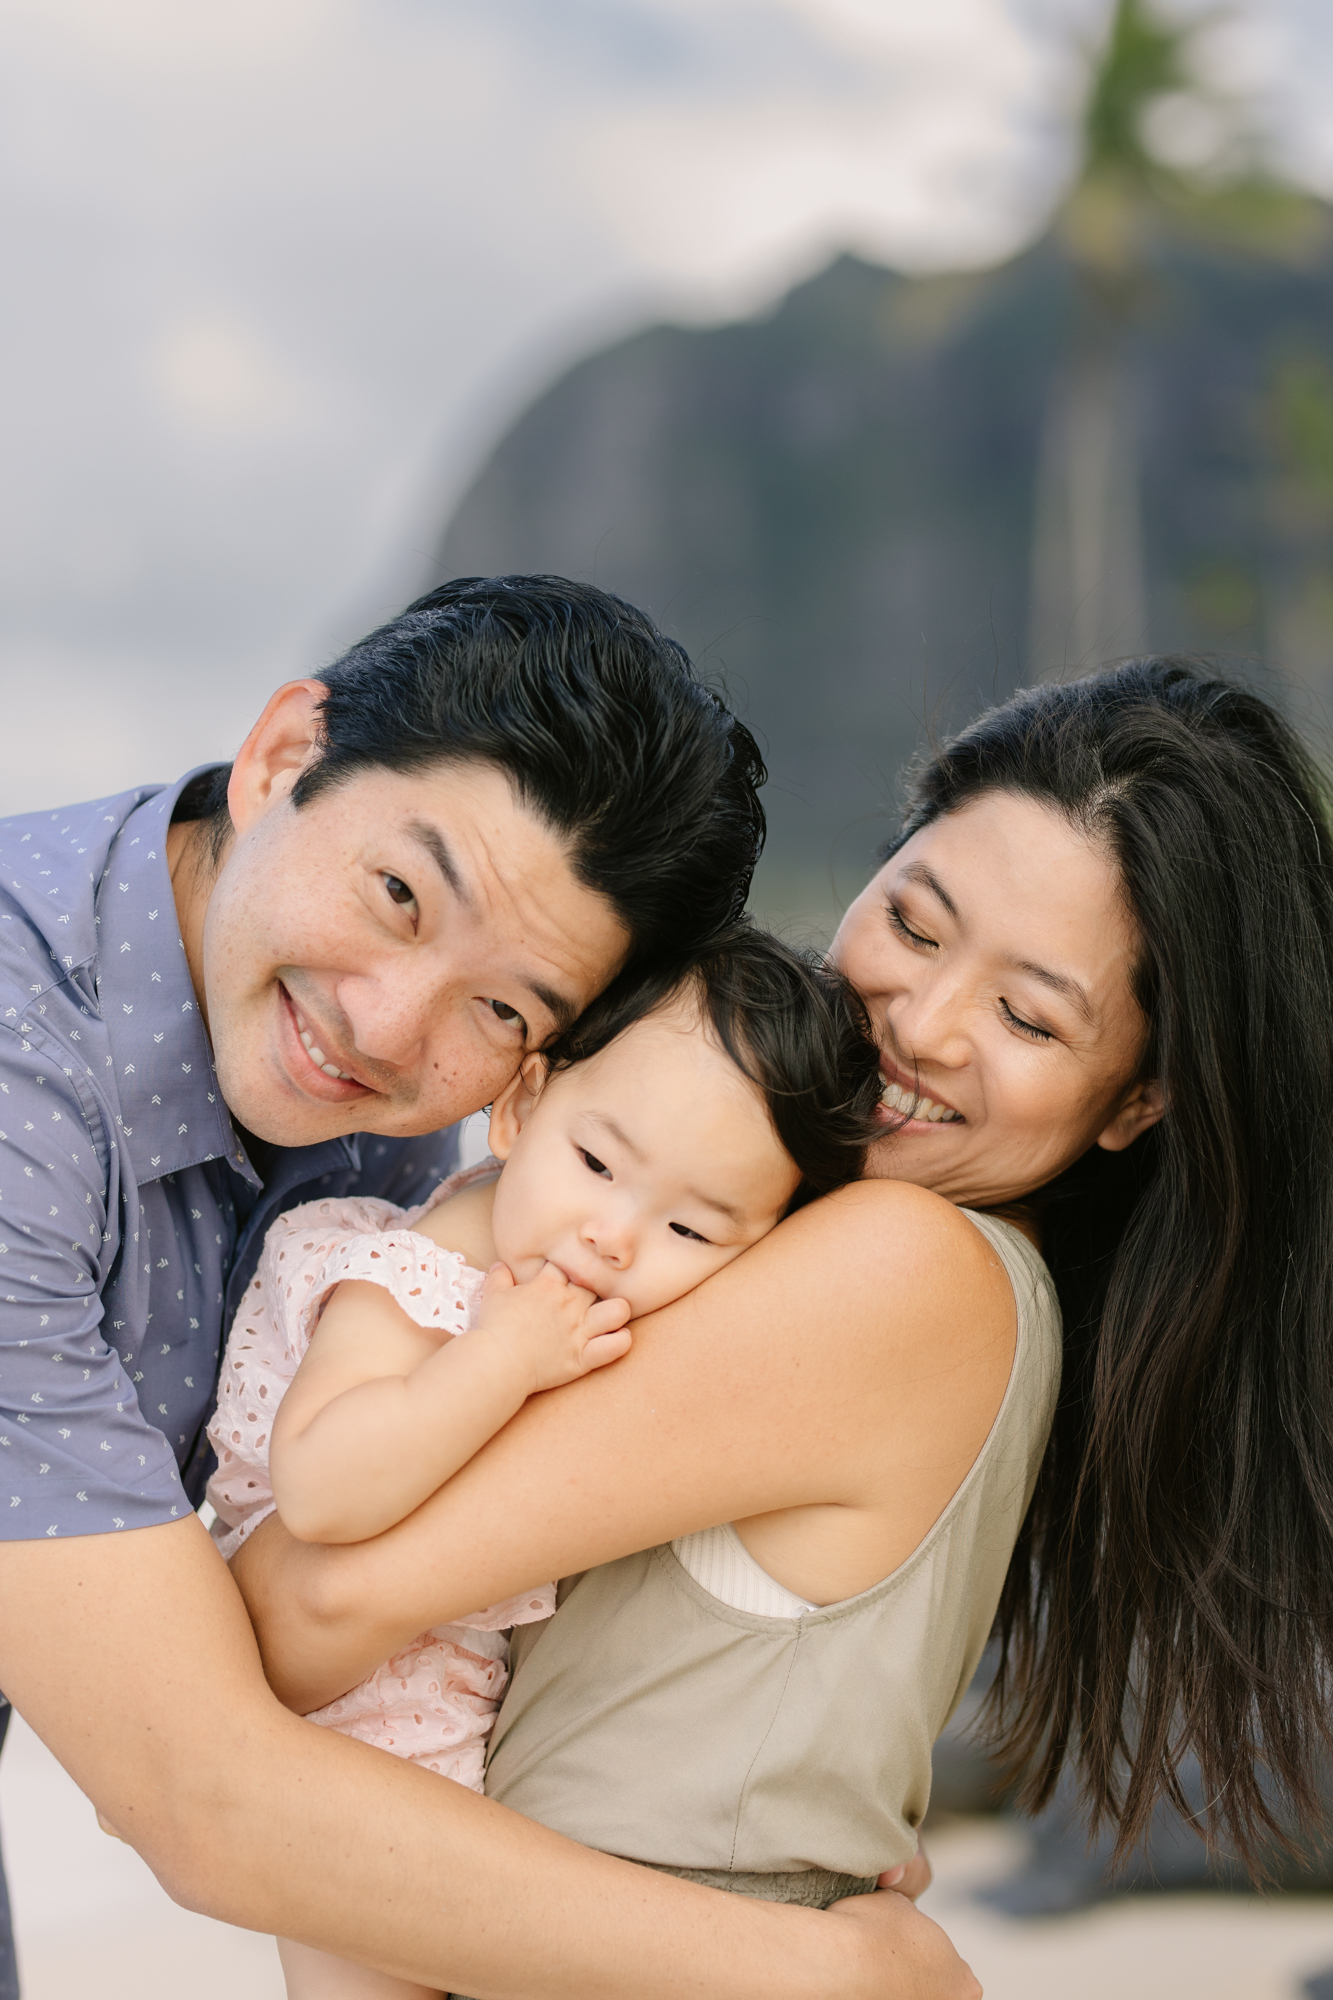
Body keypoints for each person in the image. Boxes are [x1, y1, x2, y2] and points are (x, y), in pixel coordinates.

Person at [0, 574, 979, 2000]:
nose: (389, 1029)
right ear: (283, 757)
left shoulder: (402, 1130)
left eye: (503, 1007)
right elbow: (195, 1789)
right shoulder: (26, 1066)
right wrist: (812, 1973)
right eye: (399, 893)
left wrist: (751, 1822)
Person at [236, 658, 1333, 1927]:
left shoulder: (899, 1264)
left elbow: (308, 1603)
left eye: (1028, 1018)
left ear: (1140, 1099)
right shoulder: (891, 1261)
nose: (919, 1020)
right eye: (915, 925)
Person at [202, 929, 882, 1998]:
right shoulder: (408, 1279)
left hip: (480, 1700)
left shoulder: (578, 1283)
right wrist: (496, 1359)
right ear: (519, 1108)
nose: (613, 1234)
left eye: (692, 1227)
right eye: (598, 1163)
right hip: (352, 1729)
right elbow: (324, 1492)